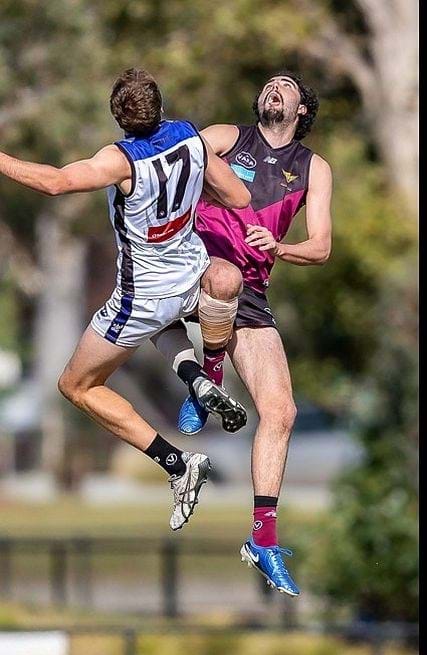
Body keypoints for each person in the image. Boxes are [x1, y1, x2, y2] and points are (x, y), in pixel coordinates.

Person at [0, 68, 250, 531]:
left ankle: (176, 463)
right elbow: (238, 194)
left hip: (143, 296)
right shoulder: (191, 137)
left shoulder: (121, 160)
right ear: (160, 105)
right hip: (191, 273)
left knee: (76, 385)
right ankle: (197, 378)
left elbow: (54, 182)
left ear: (118, 116)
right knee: (163, 326)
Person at [151, 71, 333, 597]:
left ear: (302, 108)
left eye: (287, 86)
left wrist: (280, 249)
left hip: (253, 291)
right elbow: (174, 157)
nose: (274, 89)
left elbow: (320, 247)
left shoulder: (313, 168)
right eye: (269, 84)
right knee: (222, 278)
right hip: (195, 264)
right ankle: (206, 377)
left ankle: (263, 540)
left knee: (282, 412)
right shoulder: (228, 138)